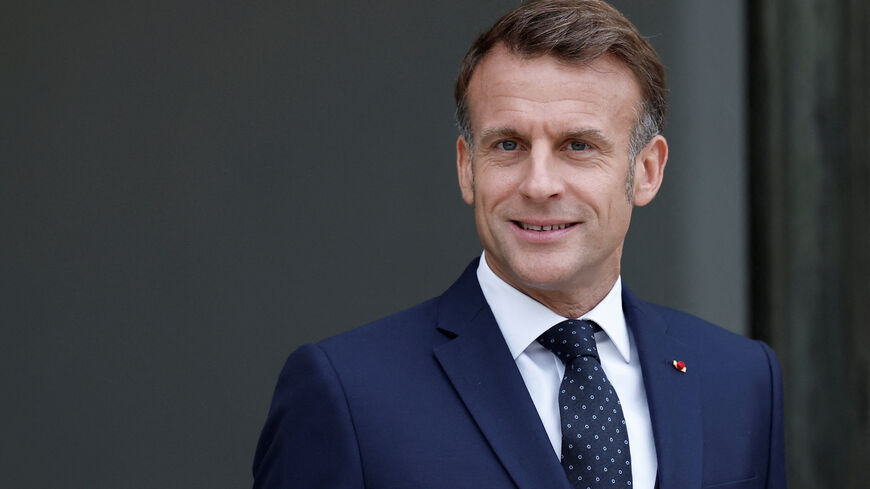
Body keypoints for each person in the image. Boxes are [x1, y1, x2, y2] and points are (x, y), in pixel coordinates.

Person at [252, 1, 787, 488]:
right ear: (467, 168)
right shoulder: (347, 394)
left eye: (578, 146)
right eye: (508, 145)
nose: (538, 183)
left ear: (646, 171)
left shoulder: (741, 382)